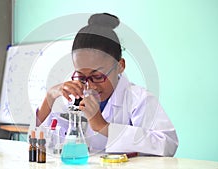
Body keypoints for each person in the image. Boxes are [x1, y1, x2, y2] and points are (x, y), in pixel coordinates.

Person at [36, 13, 178, 156]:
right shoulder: (75, 98)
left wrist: (102, 126)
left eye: (97, 76)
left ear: (120, 66)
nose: (90, 86)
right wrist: (49, 98)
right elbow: (38, 138)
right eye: (81, 77)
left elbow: (167, 144)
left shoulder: (138, 99)